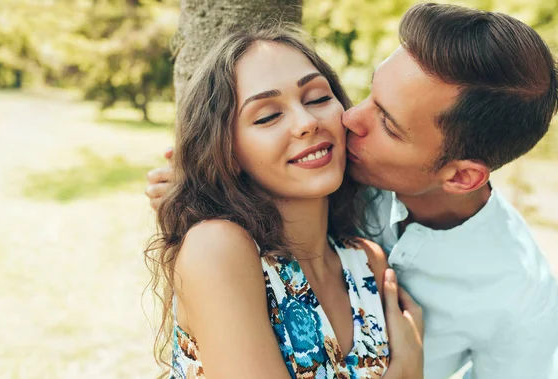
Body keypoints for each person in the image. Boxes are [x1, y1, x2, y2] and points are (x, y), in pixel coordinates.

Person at [146, 3, 558, 379]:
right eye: (370, 95)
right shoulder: (227, 243)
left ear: (461, 178)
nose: (349, 118)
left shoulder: (516, 295)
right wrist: (202, 188)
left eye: (387, 124)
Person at [145, 26, 424, 379]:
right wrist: (408, 370)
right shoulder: (218, 248)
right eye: (267, 116)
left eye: (318, 98)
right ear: (227, 152)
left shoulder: (367, 262)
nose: (307, 122)